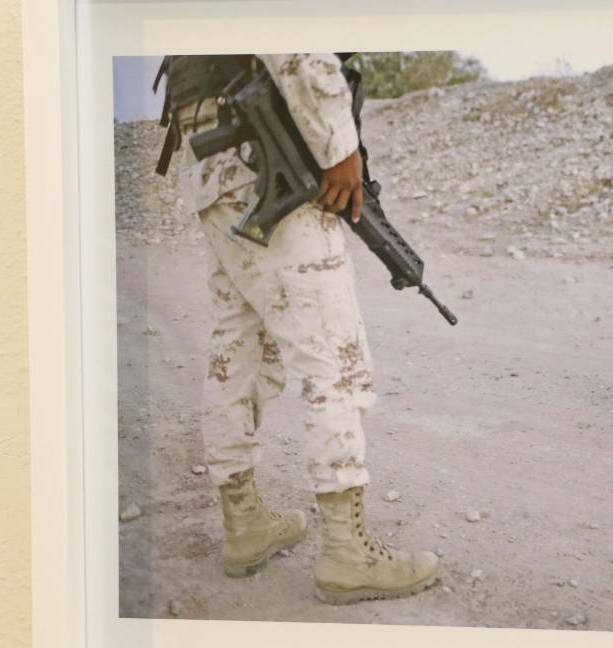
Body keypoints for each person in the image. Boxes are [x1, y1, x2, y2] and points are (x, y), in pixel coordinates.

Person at [156, 53, 440, 604]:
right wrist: (340, 146)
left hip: (217, 161)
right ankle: (346, 552)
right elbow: (294, 39)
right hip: (266, 150)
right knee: (334, 356)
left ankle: (245, 526)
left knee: (238, 347)